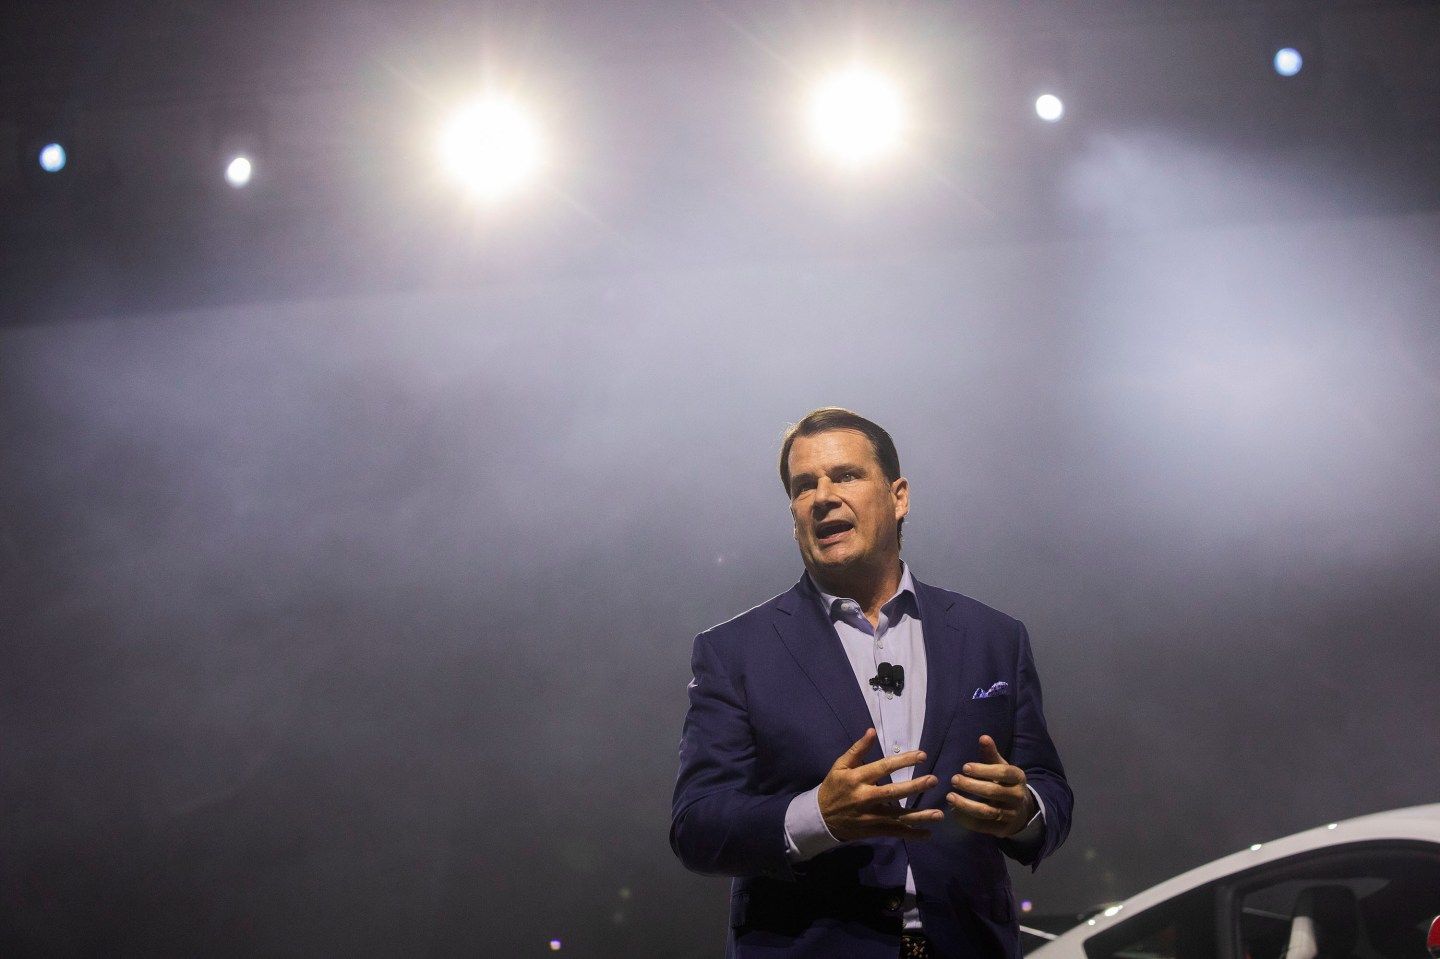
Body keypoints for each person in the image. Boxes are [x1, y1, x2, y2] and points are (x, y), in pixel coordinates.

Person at [670, 408, 1073, 958]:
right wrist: (816, 816)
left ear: (899, 496)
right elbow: (697, 826)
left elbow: (1050, 788)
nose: (822, 496)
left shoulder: (995, 637)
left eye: (845, 476)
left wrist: (1023, 811)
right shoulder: (734, 651)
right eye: (803, 485)